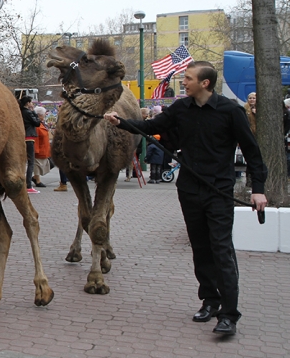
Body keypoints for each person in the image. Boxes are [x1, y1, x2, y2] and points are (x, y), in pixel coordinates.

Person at [104, 61, 267, 336]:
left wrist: (258, 188)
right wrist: (121, 122)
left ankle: (229, 314)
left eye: (189, 78)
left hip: (219, 191)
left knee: (221, 250)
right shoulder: (181, 109)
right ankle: (210, 301)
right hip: (189, 190)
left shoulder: (231, 111)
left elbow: (252, 152)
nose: (184, 82)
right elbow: (150, 125)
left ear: (205, 83)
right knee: (201, 248)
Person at [20, 96, 41, 194]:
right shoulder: (28, 112)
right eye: (31, 102)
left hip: (22, 138)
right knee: (31, 162)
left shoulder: (20, 112)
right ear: (28, 103)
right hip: (29, 138)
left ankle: (23, 183)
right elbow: (37, 123)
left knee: (23, 162)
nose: (32, 104)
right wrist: (33, 112)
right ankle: (28, 185)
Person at [32, 106, 52, 188]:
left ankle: (35, 178)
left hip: (44, 148)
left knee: (42, 165)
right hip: (40, 149)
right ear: (39, 115)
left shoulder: (42, 124)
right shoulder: (37, 125)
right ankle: (37, 180)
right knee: (37, 165)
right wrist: (35, 150)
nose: (45, 115)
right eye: (44, 114)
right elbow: (35, 139)